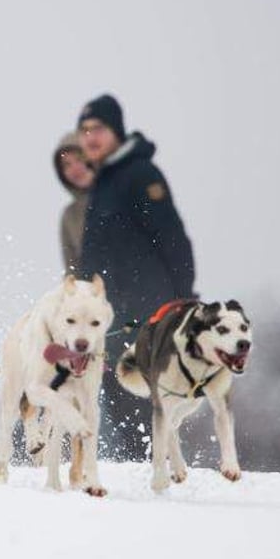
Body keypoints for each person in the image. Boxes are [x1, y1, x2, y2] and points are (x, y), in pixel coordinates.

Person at [76, 93, 195, 461]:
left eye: (98, 129)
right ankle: (141, 478)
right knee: (119, 401)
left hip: (148, 314)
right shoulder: (105, 180)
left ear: (116, 132)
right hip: (112, 316)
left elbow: (174, 240)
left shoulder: (140, 175)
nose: (90, 138)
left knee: (145, 404)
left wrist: (183, 301)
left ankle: (157, 477)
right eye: (84, 131)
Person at [53, 131, 94, 273]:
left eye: (79, 159)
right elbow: (72, 272)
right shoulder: (69, 216)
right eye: (67, 165)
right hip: (94, 293)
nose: (75, 169)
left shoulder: (121, 194)